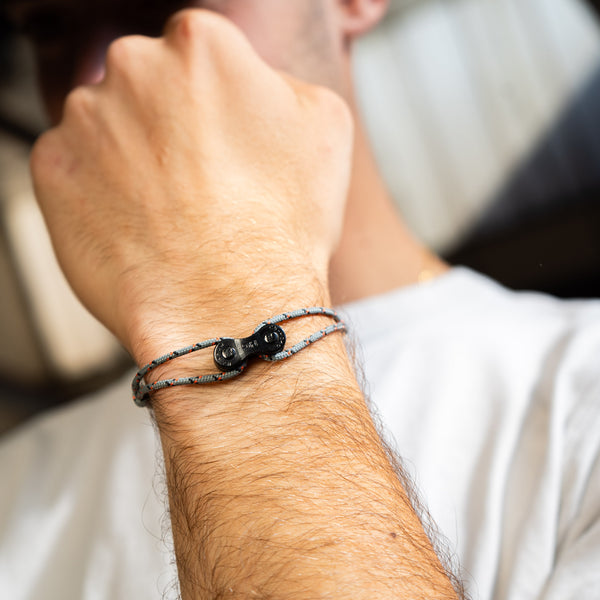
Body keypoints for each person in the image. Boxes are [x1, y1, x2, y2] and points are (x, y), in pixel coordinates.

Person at [1, 1, 599, 598]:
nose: (101, 77)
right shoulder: (16, 490)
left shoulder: (581, 395)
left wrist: (214, 285)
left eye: (167, 3)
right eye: (48, 28)